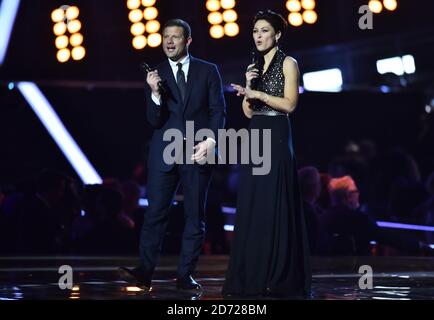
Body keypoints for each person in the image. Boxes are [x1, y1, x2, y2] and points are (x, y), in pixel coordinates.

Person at [120, 19, 226, 292]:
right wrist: (155, 94)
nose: (169, 41)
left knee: (194, 215)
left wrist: (211, 141)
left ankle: (185, 274)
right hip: (164, 153)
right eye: (165, 36)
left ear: (187, 41)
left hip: (197, 150)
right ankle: (144, 271)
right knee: (155, 212)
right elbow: (154, 120)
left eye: (175, 37)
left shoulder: (208, 71)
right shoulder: (155, 74)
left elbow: (218, 111)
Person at [222, 10, 311, 298]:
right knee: (253, 202)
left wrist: (259, 95)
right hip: (255, 135)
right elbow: (249, 113)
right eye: (255, 31)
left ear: (277, 34)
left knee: (275, 200)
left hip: (277, 133)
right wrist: (249, 90)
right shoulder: (254, 66)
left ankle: (278, 273)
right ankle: (252, 271)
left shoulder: (289, 62)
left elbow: (290, 104)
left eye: (264, 31)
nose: (258, 36)